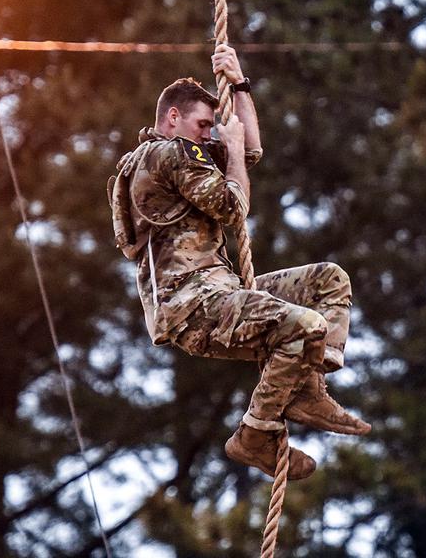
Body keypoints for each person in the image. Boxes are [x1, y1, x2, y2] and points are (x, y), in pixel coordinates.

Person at [107, 44, 370, 481]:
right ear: (173, 117)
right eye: (203, 124)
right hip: (191, 303)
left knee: (328, 281)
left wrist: (240, 85)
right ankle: (254, 433)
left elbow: (247, 153)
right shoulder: (169, 153)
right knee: (305, 325)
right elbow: (233, 206)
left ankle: (307, 388)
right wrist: (227, 147)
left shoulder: (172, 159)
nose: (209, 134)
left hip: (219, 290)